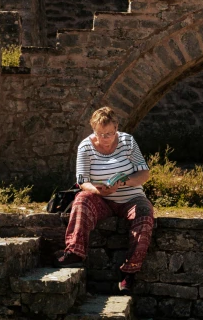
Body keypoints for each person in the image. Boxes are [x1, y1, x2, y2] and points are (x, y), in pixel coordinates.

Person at [56, 106, 154, 294]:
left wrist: (124, 181)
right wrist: (98, 191)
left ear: (116, 128)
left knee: (144, 212)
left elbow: (144, 173)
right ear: (93, 129)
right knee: (82, 199)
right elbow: (83, 181)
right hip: (101, 199)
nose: (105, 139)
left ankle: (129, 273)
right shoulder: (85, 146)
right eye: (100, 134)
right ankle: (75, 252)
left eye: (109, 133)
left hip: (131, 197)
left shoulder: (128, 141)